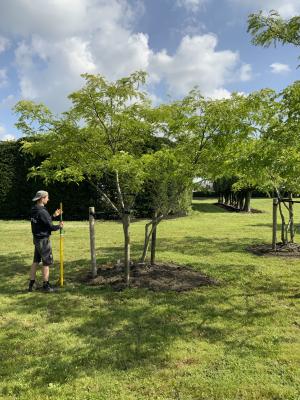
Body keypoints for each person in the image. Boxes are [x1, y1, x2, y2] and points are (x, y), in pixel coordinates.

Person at [28, 190, 64, 292]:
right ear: (42, 198)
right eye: (47, 197)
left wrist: (53, 215)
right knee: (46, 262)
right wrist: (59, 226)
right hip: (43, 240)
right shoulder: (42, 211)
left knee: (36, 261)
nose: (48, 199)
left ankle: (31, 284)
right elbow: (50, 226)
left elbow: (43, 222)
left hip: (37, 239)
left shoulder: (34, 209)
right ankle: (46, 285)